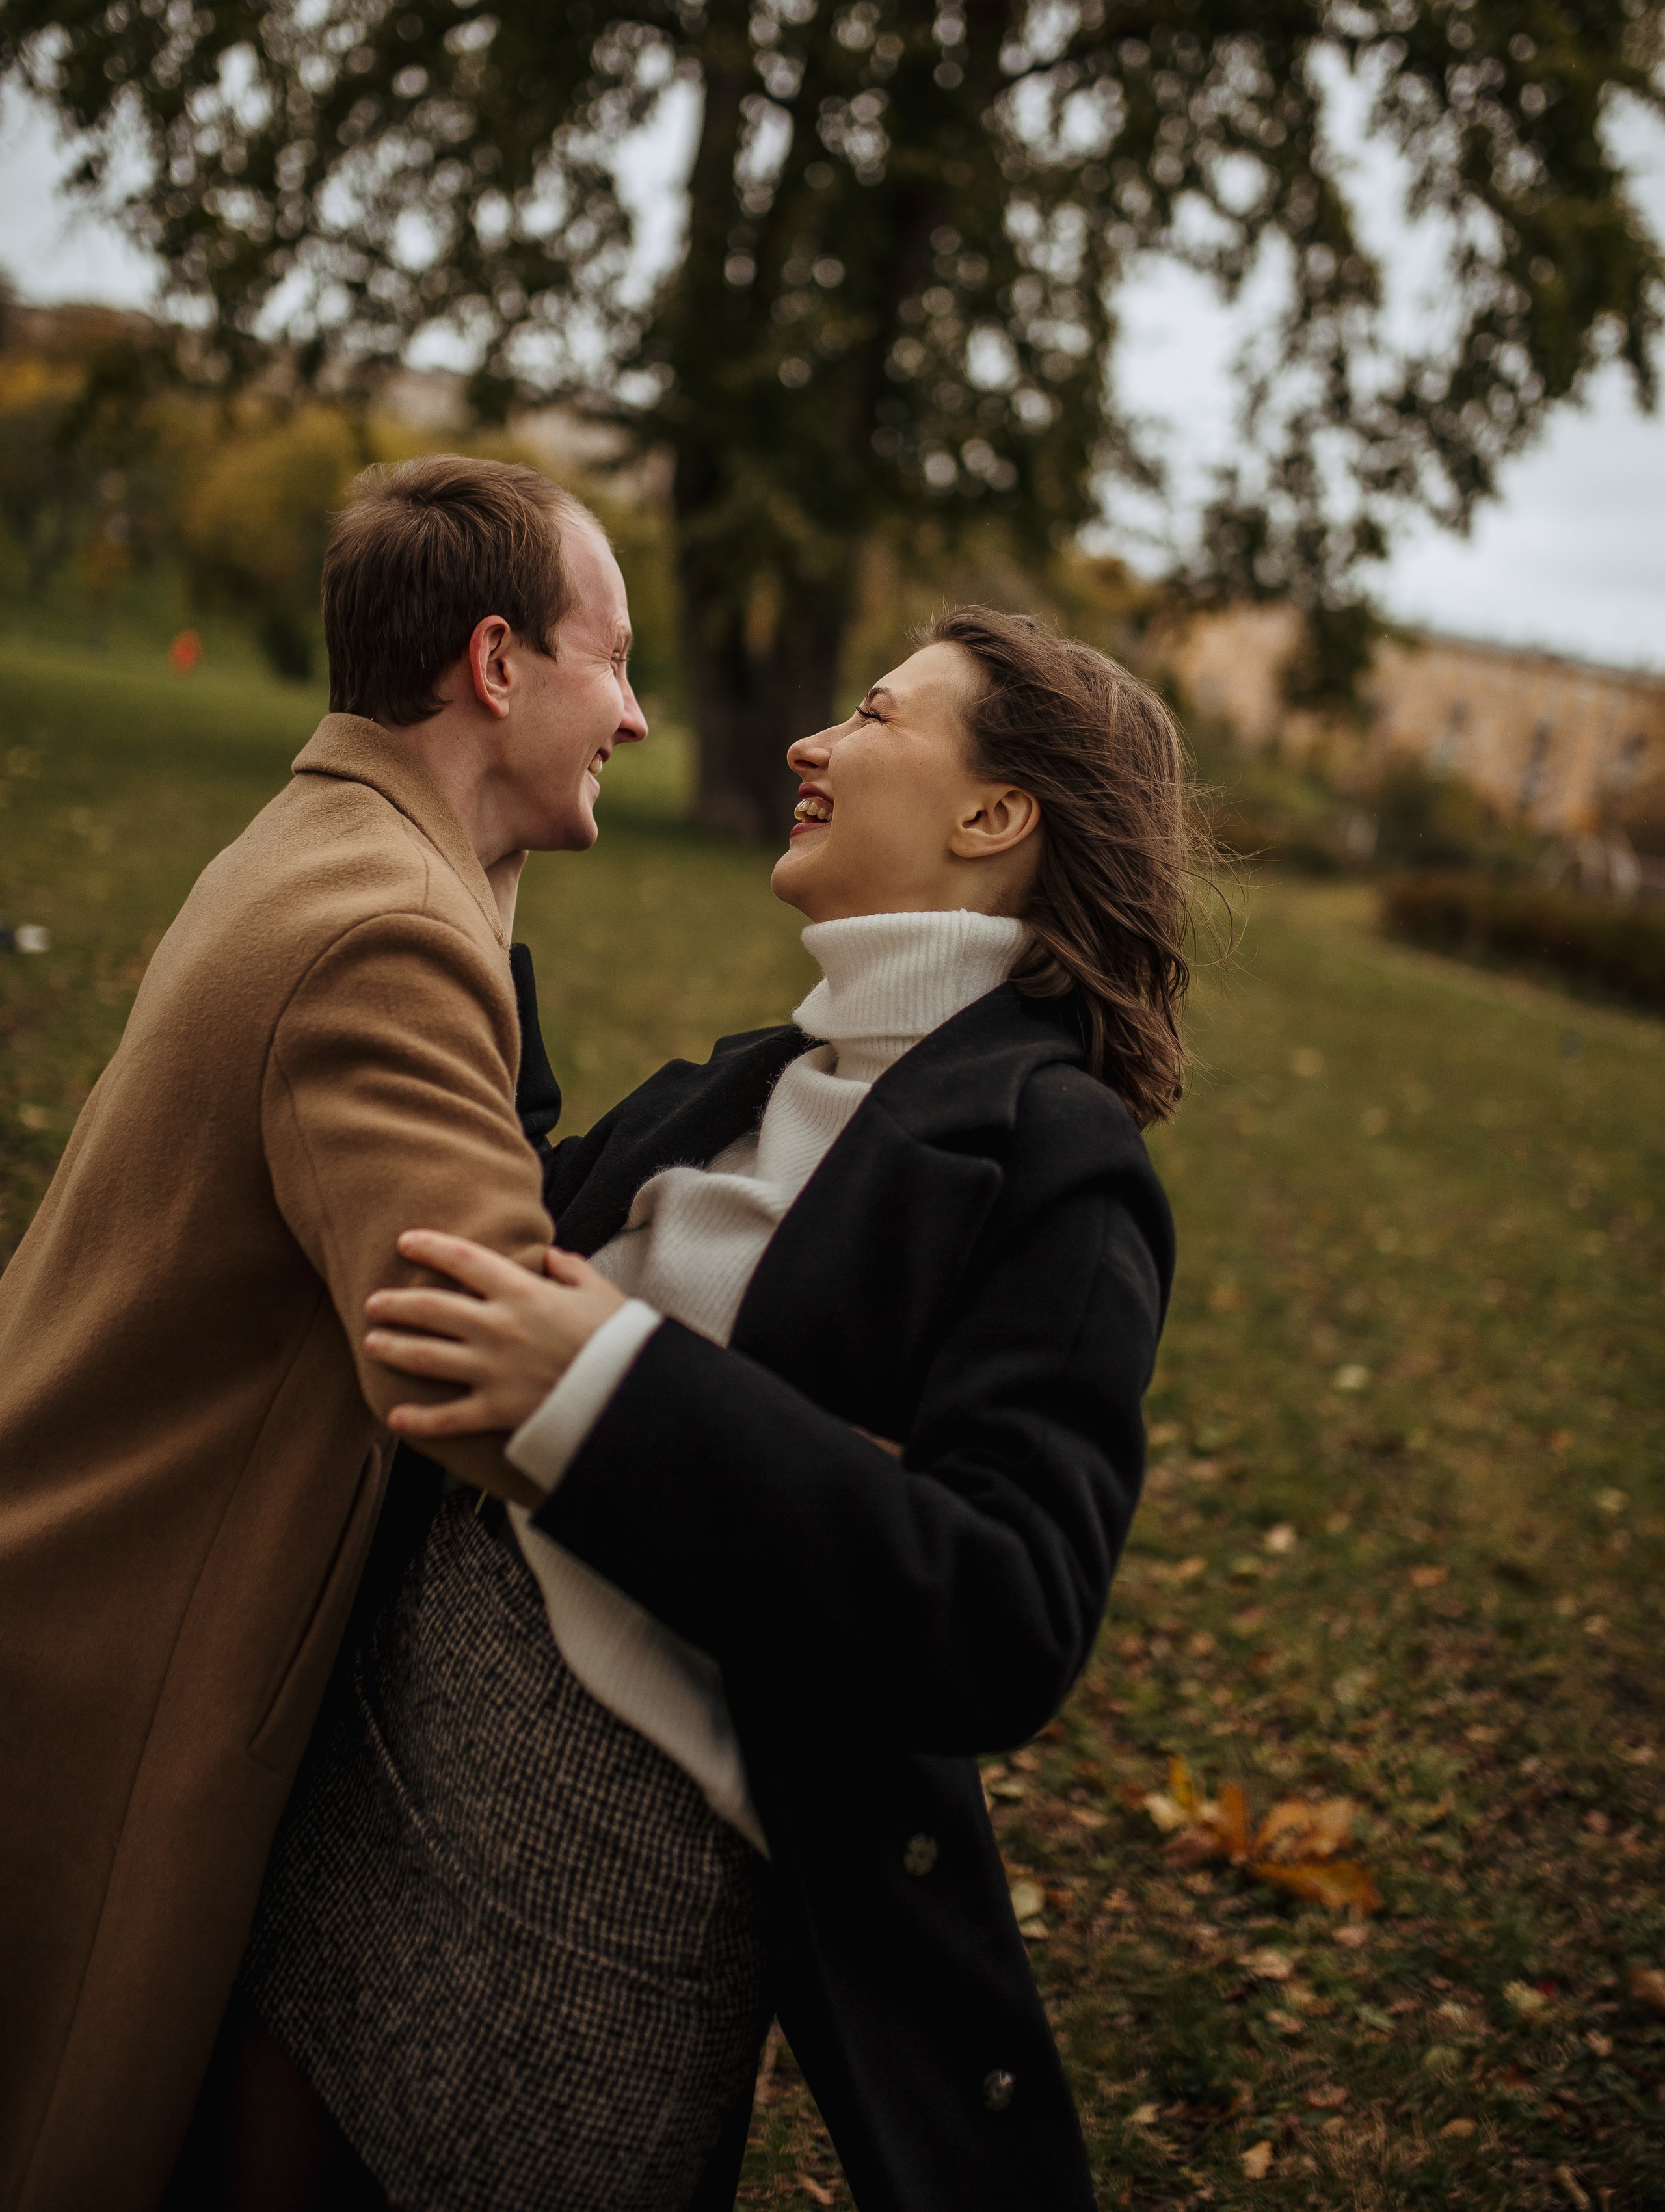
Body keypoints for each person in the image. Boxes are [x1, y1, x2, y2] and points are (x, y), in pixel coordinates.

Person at [250, 607, 1193, 2212]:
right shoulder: (777, 1066)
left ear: (991, 816)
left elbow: (1003, 1608)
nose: (807, 745)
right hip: (365, 1772)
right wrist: (466, 882)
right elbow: (537, 1209)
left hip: (575, 1934)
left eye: (874, 716)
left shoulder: (1057, 1163)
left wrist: (606, 1398)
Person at [0, 454, 646, 2212]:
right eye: (615, 660)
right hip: (117, 1665)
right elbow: (477, 1378)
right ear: (497, 663)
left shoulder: (335, 836)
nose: (641, 716)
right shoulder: (389, 927)